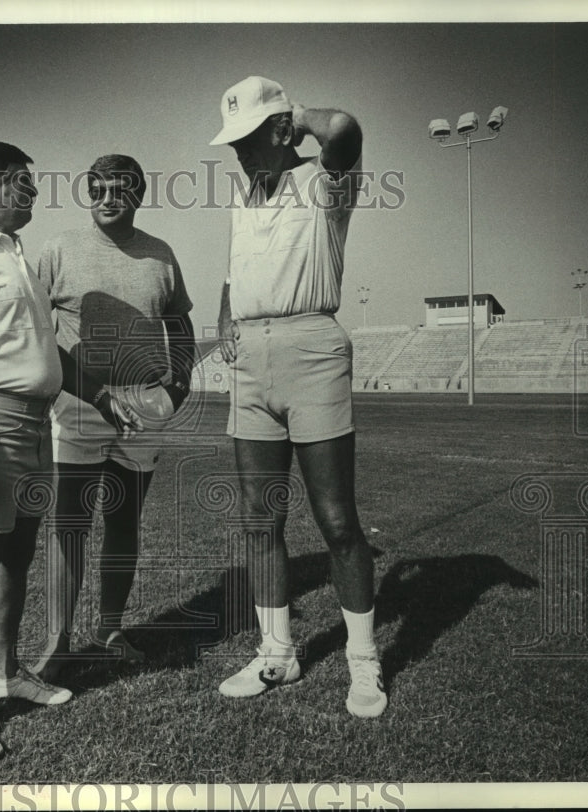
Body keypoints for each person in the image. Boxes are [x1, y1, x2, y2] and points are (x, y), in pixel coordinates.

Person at [0, 141, 139, 758]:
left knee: (16, 556)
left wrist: (97, 395)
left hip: (36, 425)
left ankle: (5, 673)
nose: (36, 193)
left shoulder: (14, 256)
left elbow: (46, 354)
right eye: (24, 182)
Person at [209, 76, 387, 717]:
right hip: (250, 361)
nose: (238, 153)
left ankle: (362, 662)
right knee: (262, 520)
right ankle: (277, 653)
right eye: (231, 143)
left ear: (282, 130)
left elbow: (344, 129)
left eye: (249, 138)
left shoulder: (324, 182)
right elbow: (233, 274)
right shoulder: (241, 198)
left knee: (337, 520)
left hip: (312, 348)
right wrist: (226, 317)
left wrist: (294, 116)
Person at [32, 154, 196, 681]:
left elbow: (180, 320)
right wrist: (89, 392)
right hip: (80, 407)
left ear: (138, 195)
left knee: (124, 523)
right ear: (88, 194)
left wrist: (181, 379)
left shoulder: (160, 254)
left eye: (120, 189)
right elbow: (36, 331)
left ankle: (109, 630)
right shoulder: (59, 250)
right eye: (98, 188)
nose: (108, 197)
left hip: (144, 407)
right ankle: (57, 643)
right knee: (70, 525)